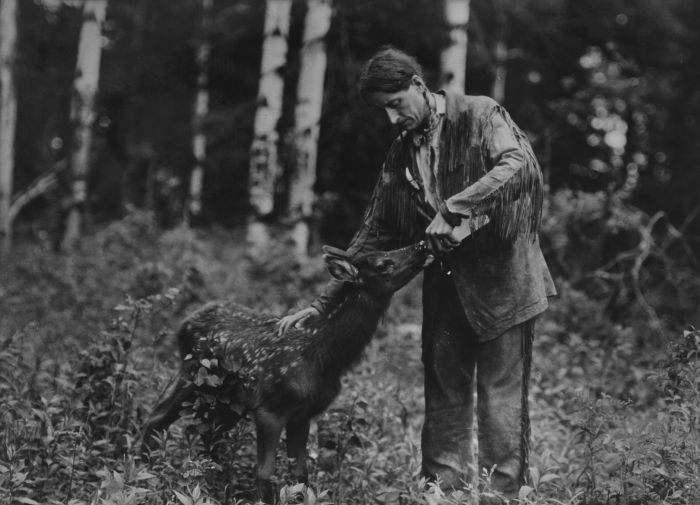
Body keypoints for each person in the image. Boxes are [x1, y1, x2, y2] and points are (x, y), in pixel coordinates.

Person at [278, 46, 556, 501]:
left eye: (396, 105)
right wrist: (321, 304)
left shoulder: (480, 114)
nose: (392, 119)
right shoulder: (401, 153)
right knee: (444, 391)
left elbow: (519, 166)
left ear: (419, 87)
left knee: (500, 396)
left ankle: (500, 496)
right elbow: (374, 231)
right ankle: (440, 494)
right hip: (446, 286)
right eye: (382, 111)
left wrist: (455, 207)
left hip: (506, 283)